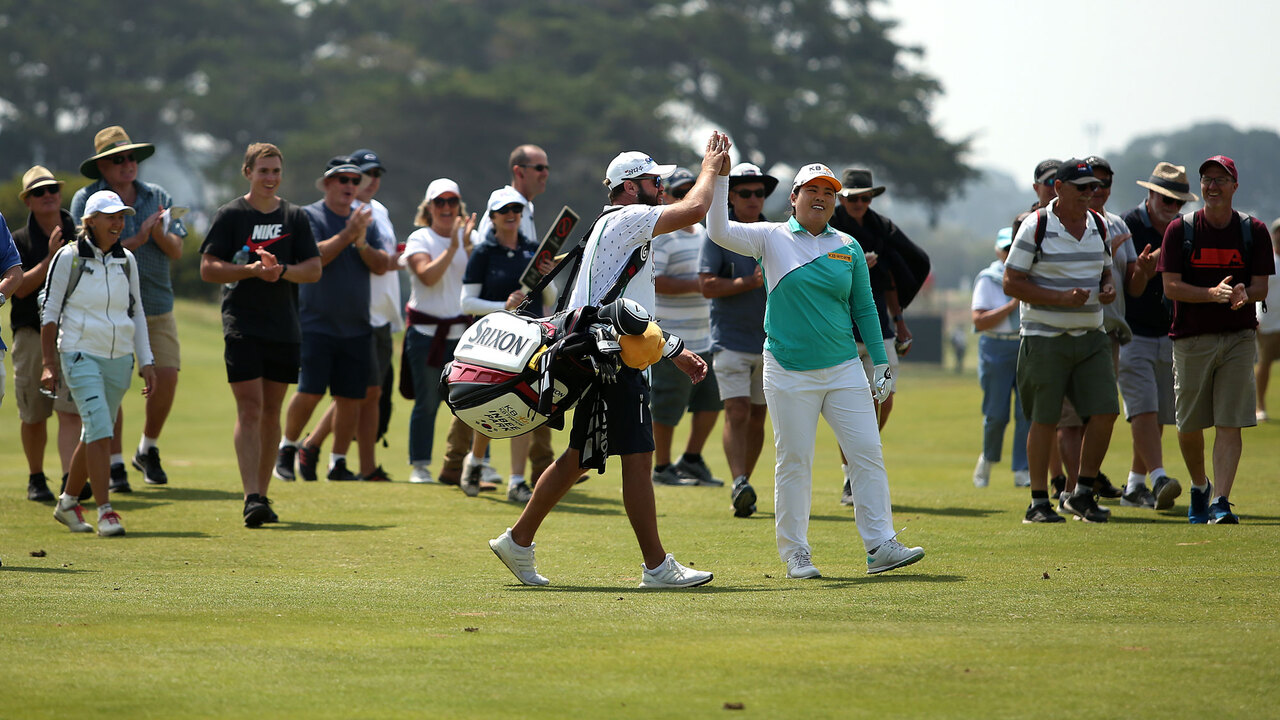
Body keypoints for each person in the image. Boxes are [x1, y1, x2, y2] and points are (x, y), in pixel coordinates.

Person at [488, 134, 726, 589]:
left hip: (602, 355)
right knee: (637, 458)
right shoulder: (631, 217)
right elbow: (695, 210)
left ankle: (518, 540)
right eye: (655, 180)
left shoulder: (607, 222)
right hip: (614, 362)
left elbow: (628, 310)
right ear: (633, 186)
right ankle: (657, 567)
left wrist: (671, 349)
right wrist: (710, 168)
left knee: (580, 456)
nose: (662, 187)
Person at [705, 159, 925, 579]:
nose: (821, 197)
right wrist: (718, 179)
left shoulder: (848, 245)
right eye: (812, 190)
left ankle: (880, 545)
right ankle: (796, 554)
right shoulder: (770, 237)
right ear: (793, 198)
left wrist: (880, 363)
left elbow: (863, 306)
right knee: (795, 460)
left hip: (843, 366)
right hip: (788, 369)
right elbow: (718, 231)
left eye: (829, 192)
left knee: (867, 453)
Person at [200, 142, 321, 527]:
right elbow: (208, 267)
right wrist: (251, 271)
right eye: (263, 170)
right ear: (248, 172)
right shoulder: (230, 214)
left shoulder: (295, 216)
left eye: (275, 171)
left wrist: (280, 271)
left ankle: (263, 494)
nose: (270, 177)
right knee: (249, 408)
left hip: (283, 327)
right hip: (243, 324)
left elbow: (313, 269)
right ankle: (251, 494)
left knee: (272, 411)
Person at [69, 126, 187, 491]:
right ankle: (115, 463)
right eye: (118, 159)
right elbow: (85, 251)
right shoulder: (84, 199)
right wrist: (136, 238)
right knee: (113, 385)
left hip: (155, 302)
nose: (128, 164)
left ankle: (147, 448)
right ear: (102, 166)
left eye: (131, 157)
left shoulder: (159, 196)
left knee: (167, 375)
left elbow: (178, 250)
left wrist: (158, 234)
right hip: (106, 308)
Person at [1158, 156, 1274, 524]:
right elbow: (1170, 286)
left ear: (1234, 186)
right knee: (1189, 426)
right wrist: (1211, 294)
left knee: (1230, 422)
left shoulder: (1253, 231)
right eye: (1207, 179)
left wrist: (1244, 293)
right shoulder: (1180, 230)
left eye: (1221, 179)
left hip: (1239, 338)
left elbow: (1260, 286)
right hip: (1191, 339)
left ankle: (1221, 501)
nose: (1212, 186)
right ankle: (1199, 484)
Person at [1004, 159, 1118, 524]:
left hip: (1091, 335)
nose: (1091, 193)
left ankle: (1082, 492)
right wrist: (1059, 298)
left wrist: (1108, 287)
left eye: (1095, 187)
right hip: (1044, 337)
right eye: (1083, 187)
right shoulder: (1034, 226)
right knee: (1044, 419)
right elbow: (1011, 281)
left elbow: (1105, 270)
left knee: (1105, 411)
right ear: (1059, 188)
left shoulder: (1099, 225)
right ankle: (1038, 501)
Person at [41, 190, 156, 537]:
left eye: (121, 217)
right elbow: (49, 313)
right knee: (102, 429)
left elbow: (135, 312)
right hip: (78, 353)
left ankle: (67, 502)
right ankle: (106, 510)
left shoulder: (127, 260)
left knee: (95, 430)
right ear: (90, 222)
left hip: (118, 358)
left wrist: (146, 360)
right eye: (110, 217)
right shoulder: (69, 257)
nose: (118, 223)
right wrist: (49, 363)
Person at [283, 149, 401, 482]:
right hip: (317, 321)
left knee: (352, 396)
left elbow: (379, 264)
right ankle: (289, 446)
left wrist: (361, 243)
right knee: (310, 392)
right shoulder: (308, 216)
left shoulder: (367, 216)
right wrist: (349, 235)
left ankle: (338, 462)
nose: (353, 185)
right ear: (327, 184)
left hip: (359, 322)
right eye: (345, 180)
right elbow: (314, 258)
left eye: (356, 179)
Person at [457, 187, 556, 501]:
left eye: (516, 209)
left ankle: (516, 481)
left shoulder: (534, 249)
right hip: (493, 341)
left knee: (523, 406)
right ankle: (475, 461)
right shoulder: (483, 252)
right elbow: (466, 302)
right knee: (489, 405)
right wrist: (503, 304)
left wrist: (548, 277)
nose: (511, 215)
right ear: (493, 217)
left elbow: (549, 299)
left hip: (530, 339)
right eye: (504, 211)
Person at [828, 168, 920, 506]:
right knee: (853, 405)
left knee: (885, 398)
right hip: (842, 328)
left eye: (866, 197)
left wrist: (900, 321)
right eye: (854, 197)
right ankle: (852, 474)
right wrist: (853, 266)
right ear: (843, 198)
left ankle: (856, 462)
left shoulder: (879, 228)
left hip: (879, 324)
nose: (860, 203)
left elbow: (890, 280)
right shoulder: (830, 226)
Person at [1117, 162, 1199, 509]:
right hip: (1131, 332)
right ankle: (1159, 476)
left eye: (1178, 203)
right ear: (1150, 194)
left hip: (1169, 330)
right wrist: (1144, 273)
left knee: (1159, 412)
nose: (1172, 208)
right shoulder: (1128, 225)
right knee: (1144, 408)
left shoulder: (1183, 230)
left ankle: (1135, 484)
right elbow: (1132, 289)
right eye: (1167, 200)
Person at [699, 163, 772, 516]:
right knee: (737, 411)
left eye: (759, 193)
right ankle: (738, 479)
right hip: (729, 340)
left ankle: (745, 483)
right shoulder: (717, 234)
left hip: (770, 342)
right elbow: (706, 285)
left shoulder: (774, 233)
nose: (754, 199)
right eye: (745, 193)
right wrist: (748, 283)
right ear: (730, 196)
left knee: (758, 416)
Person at [9, 168, 83, 502]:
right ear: (28, 200)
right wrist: (52, 258)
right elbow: (20, 289)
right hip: (31, 333)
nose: (48, 195)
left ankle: (71, 481)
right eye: (39, 192)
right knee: (35, 413)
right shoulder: (19, 240)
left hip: (75, 332)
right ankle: (36, 477)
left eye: (52, 188)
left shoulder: (83, 231)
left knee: (71, 411)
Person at [650, 167, 723, 488]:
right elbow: (657, 281)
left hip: (706, 335)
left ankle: (691, 459)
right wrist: (700, 284)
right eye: (681, 193)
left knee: (711, 402)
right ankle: (662, 467)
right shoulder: (664, 235)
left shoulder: (706, 233)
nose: (688, 199)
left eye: (692, 192)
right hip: (673, 338)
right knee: (666, 407)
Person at [401, 179, 476, 485]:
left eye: (452, 201)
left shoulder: (472, 238)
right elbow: (427, 276)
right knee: (427, 402)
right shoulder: (420, 238)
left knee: (469, 402)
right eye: (440, 202)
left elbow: (480, 275)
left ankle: (468, 462)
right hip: (426, 335)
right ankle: (420, 465)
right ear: (429, 207)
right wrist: (454, 248)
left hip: (462, 334)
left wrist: (469, 246)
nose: (446, 208)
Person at [971, 227, 1030, 488]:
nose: (1010, 254)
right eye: (1006, 249)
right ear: (998, 250)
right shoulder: (989, 278)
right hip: (996, 347)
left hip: (1026, 345)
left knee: (1026, 412)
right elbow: (980, 321)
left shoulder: (1030, 276)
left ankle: (1022, 468)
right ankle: (988, 457)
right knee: (996, 414)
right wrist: (1011, 305)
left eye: (1014, 248)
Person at [1254, 219, 1280, 422]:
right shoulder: (1266, 259)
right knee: (1264, 365)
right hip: (1267, 322)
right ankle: (1259, 406)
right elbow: (1257, 290)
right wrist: (1256, 317)